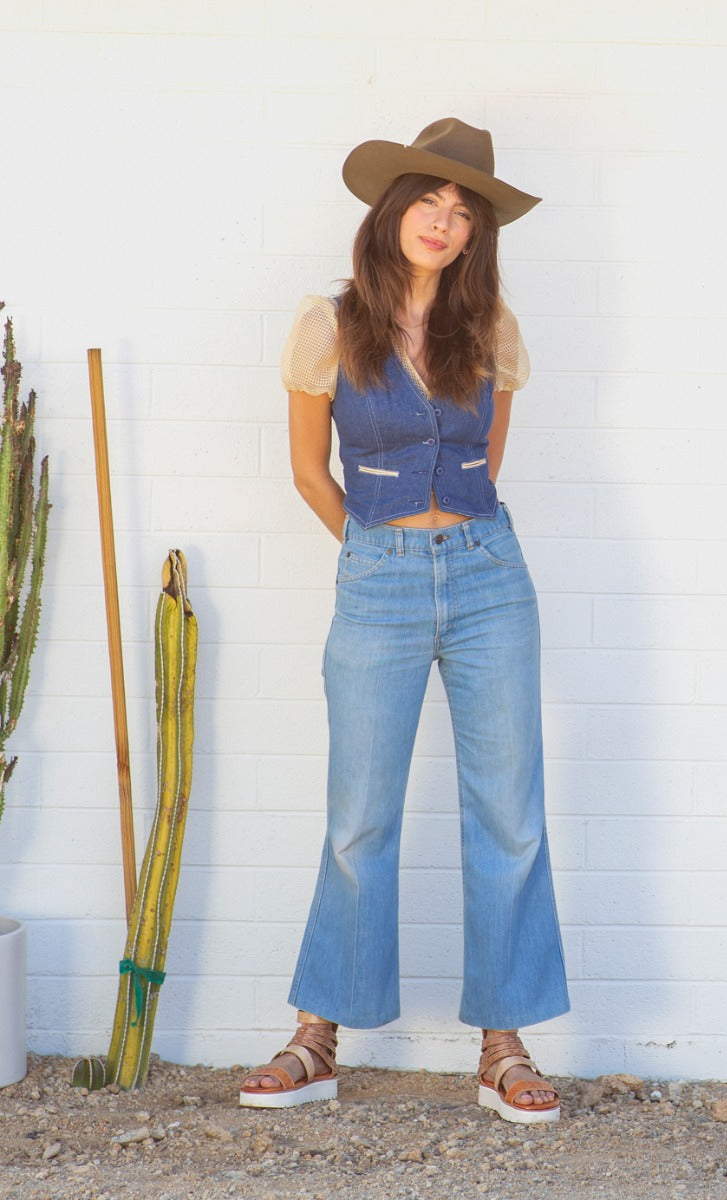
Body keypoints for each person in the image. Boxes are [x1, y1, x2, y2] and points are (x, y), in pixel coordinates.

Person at [239, 118, 569, 1124]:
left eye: (462, 212)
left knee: (508, 816)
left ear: (475, 237)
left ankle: (503, 1045)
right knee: (359, 818)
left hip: (487, 575)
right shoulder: (328, 323)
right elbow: (309, 471)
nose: (443, 220)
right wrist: (373, 547)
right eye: (429, 199)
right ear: (392, 211)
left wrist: (446, 538)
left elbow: (486, 460)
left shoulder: (490, 327)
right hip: (376, 579)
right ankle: (317, 1038)